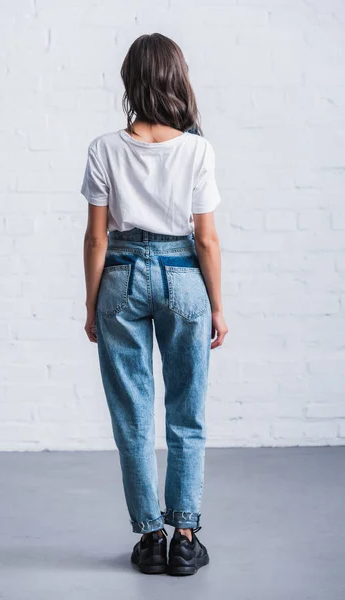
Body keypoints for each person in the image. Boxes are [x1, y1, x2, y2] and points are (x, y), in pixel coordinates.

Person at [81, 33, 228, 576]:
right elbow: (207, 240)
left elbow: (97, 239)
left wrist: (92, 303)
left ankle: (149, 538)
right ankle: (186, 538)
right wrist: (216, 305)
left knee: (132, 414)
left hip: (120, 275)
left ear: (130, 81)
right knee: (186, 411)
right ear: (175, 78)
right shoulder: (197, 149)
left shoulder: (104, 148)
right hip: (184, 276)